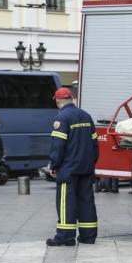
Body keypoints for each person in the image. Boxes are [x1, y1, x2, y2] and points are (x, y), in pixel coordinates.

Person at [46, 87, 99, 246]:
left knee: (66, 203)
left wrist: (54, 165)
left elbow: (58, 145)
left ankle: (65, 237)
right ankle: (88, 236)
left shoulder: (62, 118)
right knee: (86, 201)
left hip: (68, 169)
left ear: (57, 101)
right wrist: (90, 163)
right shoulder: (86, 116)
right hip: (86, 168)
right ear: (72, 99)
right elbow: (95, 145)